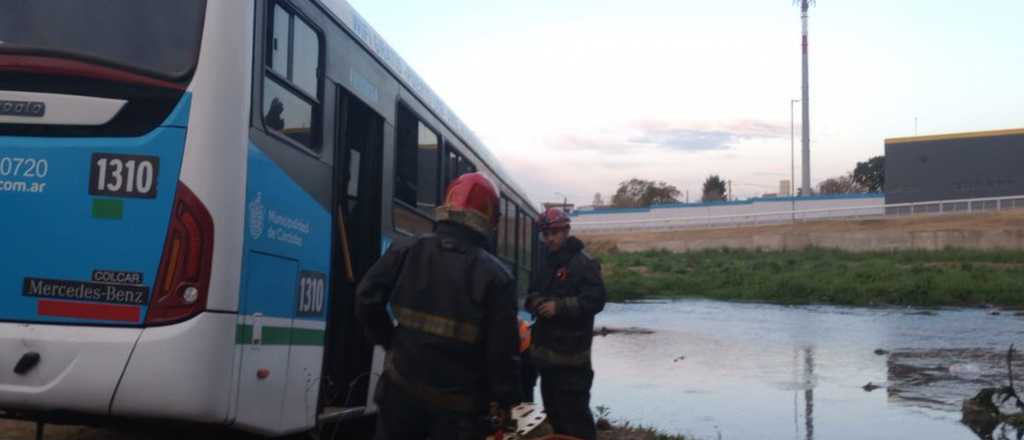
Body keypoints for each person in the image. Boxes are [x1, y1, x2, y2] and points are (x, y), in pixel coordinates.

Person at [355, 173, 522, 440]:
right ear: (489, 218)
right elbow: (501, 352)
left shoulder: (406, 250)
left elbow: (366, 300)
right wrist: (504, 399)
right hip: (458, 416)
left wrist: (392, 342)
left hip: (400, 396)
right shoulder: (497, 277)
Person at [525, 208, 607, 440]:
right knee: (556, 421)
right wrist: (538, 302)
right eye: (546, 233)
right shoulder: (546, 263)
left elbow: (596, 300)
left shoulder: (584, 263)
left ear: (567, 231)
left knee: (577, 424)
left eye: (554, 233)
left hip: (572, 363)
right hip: (546, 362)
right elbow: (530, 294)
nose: (549, 238)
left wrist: (558, 307)